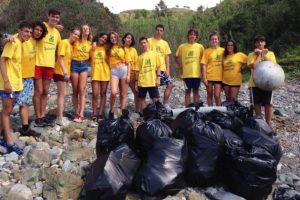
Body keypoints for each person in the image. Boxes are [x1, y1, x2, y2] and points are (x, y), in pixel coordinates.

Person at [0, 21, 32, 154]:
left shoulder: (20, 42)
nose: (28, 34)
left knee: (7, 110)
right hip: (9, 83)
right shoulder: (12, 42)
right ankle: (9, 142)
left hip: (17, 83)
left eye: (30, 32)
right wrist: (6, 81)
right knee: (7, 111)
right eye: (26, 31)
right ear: (19, 31)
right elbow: (2, 60)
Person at [16, 21, 47, 135]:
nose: (36, 32)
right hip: (17, 76)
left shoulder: (35, 41)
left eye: (40, 30)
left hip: (28, 77)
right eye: (35, 30)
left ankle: (25, 127)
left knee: (25, 103)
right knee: (9, 105)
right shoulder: (20, 38)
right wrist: (6, 37)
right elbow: (9, 38)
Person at [33, 9, 62, 126]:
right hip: (38, 64)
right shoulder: (41, 26)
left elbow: (60, 49)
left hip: (49, 66)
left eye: (57, 17)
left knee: (45, 92)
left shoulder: (57, 33)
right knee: (38, 91)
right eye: (53, 16)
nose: (55, 19)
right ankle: (37, 116)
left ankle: (42, 115)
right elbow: (28, 32)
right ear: (48, 16)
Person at [54, 28, 81, 126]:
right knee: (62, 94)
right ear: (71, 33)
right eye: (75, 34)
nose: (76, 36)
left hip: (65, 73)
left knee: (62, 94)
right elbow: (60, 58)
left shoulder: (70, 45)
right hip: (60, 71)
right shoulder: (64, 42)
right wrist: (65, 72)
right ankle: (59, 118)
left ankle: (60, 115)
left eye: (78, 35)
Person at [247, 35, 276, 125]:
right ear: (255, 43)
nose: (260, 43)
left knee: (268, 104)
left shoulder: (270, 54)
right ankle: (260, 124)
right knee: (257, 104)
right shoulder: (251, 55)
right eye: (258, 41)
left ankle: (268, 123)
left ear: (265, 43)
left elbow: (272, 65)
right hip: (255, 83)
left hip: (268, 83)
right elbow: (254, 66)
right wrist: (259, 55)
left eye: (262, 41)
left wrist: (263, 54)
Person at [175, 29, 204, 106]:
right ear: (188, 36)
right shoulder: (182, 46)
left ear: (196, 37)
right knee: (187, 91)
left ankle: (196, 108)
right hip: (186, 74)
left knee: (196, 91)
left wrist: (203, 71)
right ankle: (187, 108)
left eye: (194, 35)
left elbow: (204, 59)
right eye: (191, 34)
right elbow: (176, 56)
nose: (192, 36)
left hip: (197, 74)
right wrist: (180, 65)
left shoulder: (200, 47)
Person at [106, 31, 131, 119]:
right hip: (114, 71)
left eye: (114, 37)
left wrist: (128, 75)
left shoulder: (123, 48)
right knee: (113, 92)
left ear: (117, 37)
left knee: (123, 94)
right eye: (111, 38)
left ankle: (122, 112)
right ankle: (111, 111)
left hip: (124, 70)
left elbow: (128, 63)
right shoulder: (108, 49)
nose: (113, 39)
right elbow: (106, 61)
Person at [71, 24, 92, 123]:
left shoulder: (90, 44)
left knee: (82, 90)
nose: (85, 30)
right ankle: (76, 112)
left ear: (89, 31)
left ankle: (81, 113)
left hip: (84, 65)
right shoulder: (76, 41)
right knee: (75, 90)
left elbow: (92, 57)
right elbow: (66, 43)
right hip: (74, 64)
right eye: (83, 28)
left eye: (86, 28)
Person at [148, 24, 173, 110]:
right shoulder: (149, 41)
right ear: (155, 30)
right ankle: (156, 104)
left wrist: (168, 69)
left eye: (161, 30)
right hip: (152, 69)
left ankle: (165, 103)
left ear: (163, 32)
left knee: (170, 84)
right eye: (157, 30)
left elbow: (167, 56)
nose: (159, 32)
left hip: (162, 68)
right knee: (154, 86)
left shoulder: (165, 43)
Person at [135, 37, 161, 112]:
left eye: (144, 42)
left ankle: (158, 115)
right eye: (141, 43)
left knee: (156, 99)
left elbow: (158, 67)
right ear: (140, 45)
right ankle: (146, 115)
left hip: (152, 81)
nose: (143, 44)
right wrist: (136, 82)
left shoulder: (155, 54)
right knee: (142, 99)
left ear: (148, 43)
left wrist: (158, 78)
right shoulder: (139, 57)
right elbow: (137, 71)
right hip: (142, 82)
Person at [201, 32, 224, 106]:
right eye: (212, 39)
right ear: (210, 41)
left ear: (218, 40)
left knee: (217, 95)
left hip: (219, 77)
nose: (214, 41)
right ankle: (210, 111)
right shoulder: (206, 51)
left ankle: (219, 111)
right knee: (209, 95)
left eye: (215, 39)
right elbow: (203, 65)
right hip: (209, 76)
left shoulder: (223, 51)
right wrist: (204, 78)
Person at [90, 33, 109, 121]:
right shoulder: (92, 47)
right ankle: (94, 113)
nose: (103, 40)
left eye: (105, 39)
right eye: (102, 37)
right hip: (95, 74)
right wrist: (93, 43)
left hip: (105, 73)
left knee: (103, 93)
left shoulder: (107, 48)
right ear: (98, 37)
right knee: (95, 94)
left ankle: (100, 113)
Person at [122, 32, 139, 112]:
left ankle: (137, 110)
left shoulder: (133, 50)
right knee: (123, 93)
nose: (129, 40)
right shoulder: (120, 48)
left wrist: (136, 77)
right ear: (124, 38)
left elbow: (136, 63)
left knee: (136, 92)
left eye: (131, 39)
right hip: (122, 72)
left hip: (132, 73)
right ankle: (122, 109)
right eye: (128, 38)